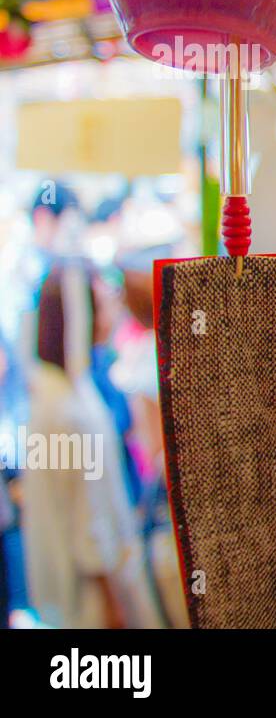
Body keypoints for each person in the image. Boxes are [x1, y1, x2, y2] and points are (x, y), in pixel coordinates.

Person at [20, 263, 162, 628]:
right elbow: (85, 514)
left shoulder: (69, 389)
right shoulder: (65, 409)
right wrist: (111, 601)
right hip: (93, 599)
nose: (111, 313)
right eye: (100, 305)